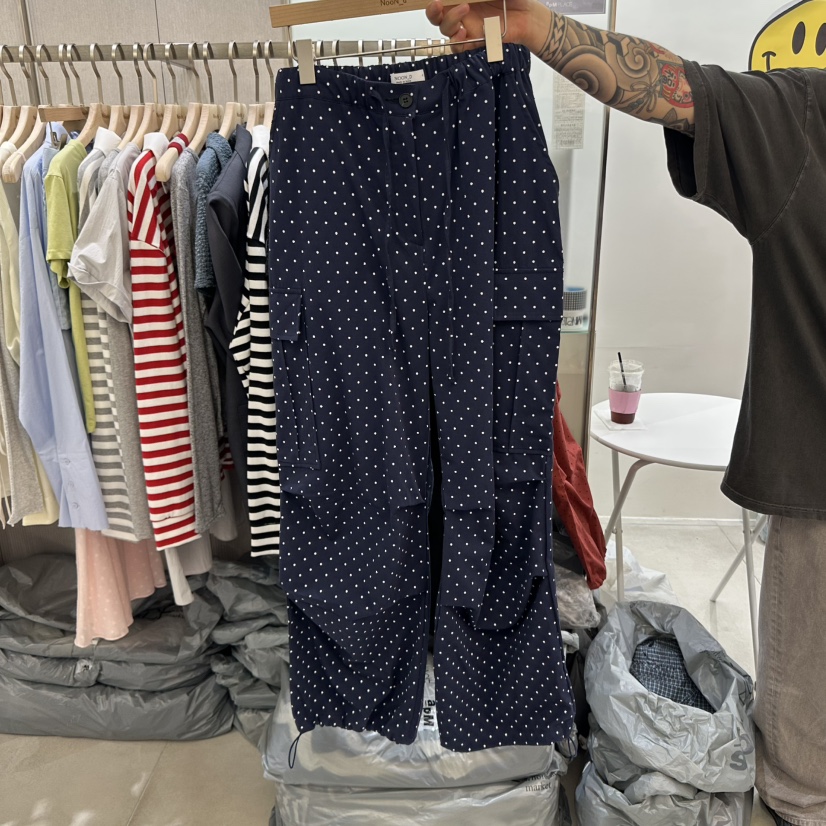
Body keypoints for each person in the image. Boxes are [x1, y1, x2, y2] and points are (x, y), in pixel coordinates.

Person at [426, 3, 826, 825]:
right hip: (819, 493)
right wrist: (534, 26)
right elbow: (672, 87)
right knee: (802, 776)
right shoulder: (808, 119)